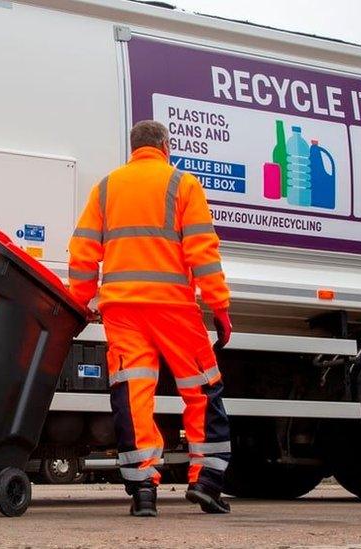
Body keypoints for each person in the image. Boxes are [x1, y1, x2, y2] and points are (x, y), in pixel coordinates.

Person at [67, 120, 233, 517]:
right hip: (173, 308)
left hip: (123, 311)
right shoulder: (183, 185)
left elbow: (83, 251)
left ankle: (143, 492)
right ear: (165, 145)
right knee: (201, 390)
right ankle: (206, 483)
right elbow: (202, 253)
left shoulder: (107, 188)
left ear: (133, 147)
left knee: (133, 395)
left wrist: (80, 300)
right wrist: (220, 308)